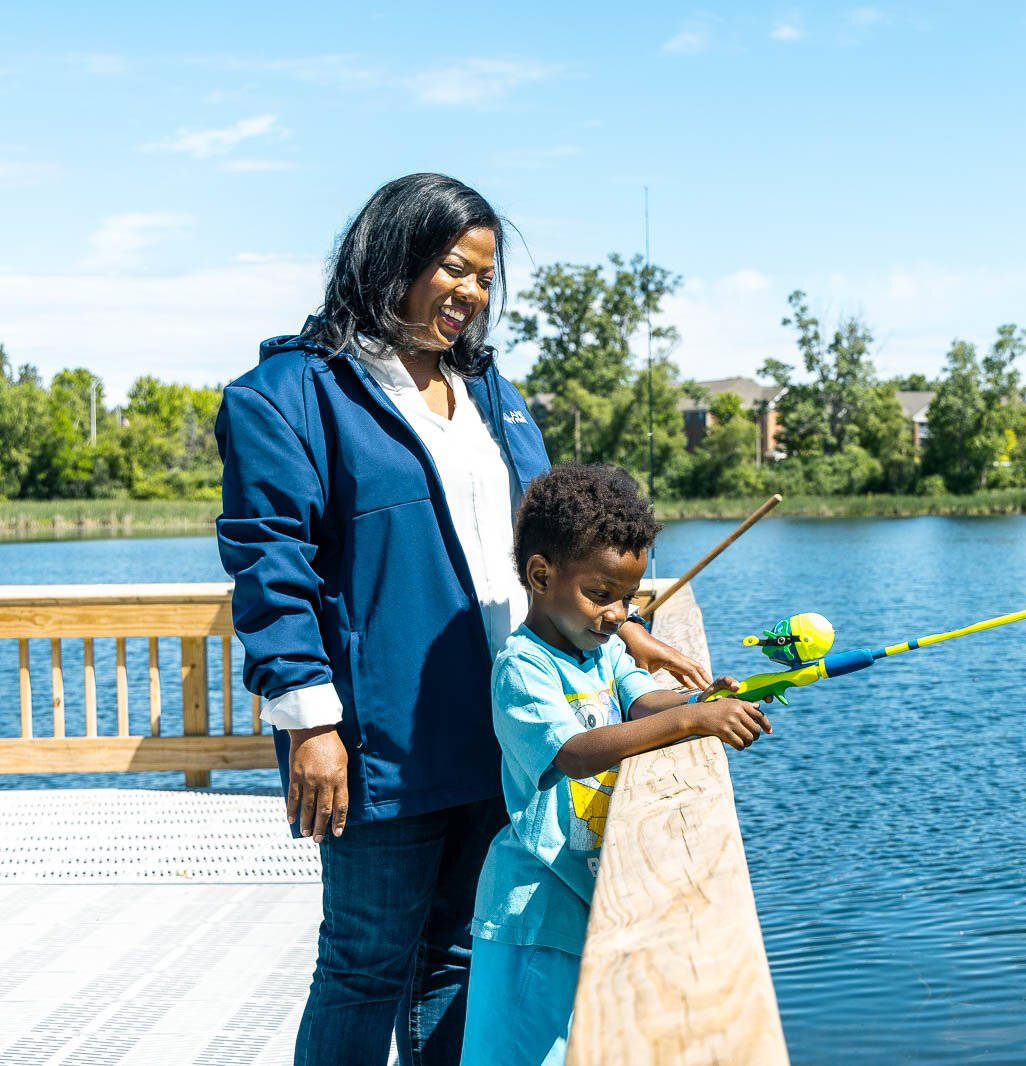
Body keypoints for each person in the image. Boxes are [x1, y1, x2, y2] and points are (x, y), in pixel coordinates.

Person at [215, 173, 709, 1066]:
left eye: (484, 277)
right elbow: (268, 566)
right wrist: (310, 722)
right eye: (453, 268)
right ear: (391, 256)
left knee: (456, 956)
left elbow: (565, 542)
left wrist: (625, 624)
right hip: (381, 742)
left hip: (499, 731)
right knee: (365, 970)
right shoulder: (287, 394)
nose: (471, 295)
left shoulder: (492, 394)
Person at [459, 464, 773, 1065]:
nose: (615, 615)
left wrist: (704, 700)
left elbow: (640, 697)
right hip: (533, 905)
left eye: (626, 599)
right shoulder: (523, 666)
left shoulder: (596, 649)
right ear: (540, 574)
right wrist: (689, 722)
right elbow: (573, 754)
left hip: (579, 896)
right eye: (600, 595)